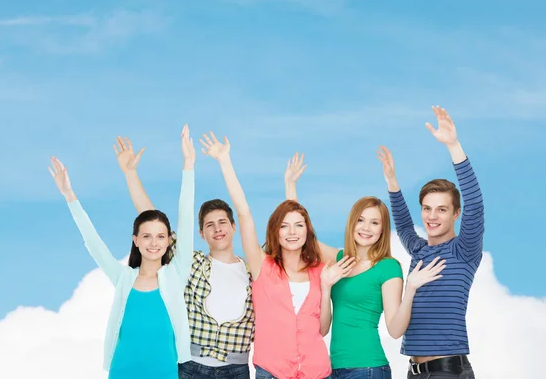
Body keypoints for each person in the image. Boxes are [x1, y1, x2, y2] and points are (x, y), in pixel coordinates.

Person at [47, 124, 195, 378]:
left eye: (161, 236)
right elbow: (94, 243)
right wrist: (69, 195)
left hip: (164, 372)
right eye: (146, 236)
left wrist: (188, 165)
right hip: (122, 371)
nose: (154, 242)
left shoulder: (176, 273)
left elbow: (186, 213)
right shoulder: (124, 278)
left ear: (170, 240)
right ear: (135, 240)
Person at [199, 132, 351, 379]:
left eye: (299, 226)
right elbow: (244, 213)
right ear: (275, 232)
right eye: (284, 226)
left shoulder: (319, 271)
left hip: (318, 373)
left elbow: (322, 329)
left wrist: (325, 287)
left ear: (307, 231)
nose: (292, 232)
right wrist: (224, 160)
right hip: (272, 373)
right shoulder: (263, 267)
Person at [284, 154, 445, 379]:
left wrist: (410, 289)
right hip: (334, 368)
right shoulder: (340, 259)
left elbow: (395, 329)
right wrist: (290, 186)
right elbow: (303, 237)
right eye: (361, 220)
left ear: (382, 229)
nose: (366, 228)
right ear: (352, 223)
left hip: (368, 368)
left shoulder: (387, 268)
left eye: (374, 222)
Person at [113, 130, 253, 379]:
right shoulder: (191, 263)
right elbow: (153, 221)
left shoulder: (253, 270)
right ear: (201, 233)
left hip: (237, 368)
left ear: (233, 227)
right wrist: (131, 174)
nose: (217, 228)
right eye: (209, 225)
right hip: (191, 366)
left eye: (222, 222)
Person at [377, 106, 484, 378]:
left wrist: (453, 145)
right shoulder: (419, 250)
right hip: (415, 371)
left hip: (447, 371)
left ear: (456, 213)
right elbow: (401, 223)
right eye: (426, 208)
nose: (432, 216)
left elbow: (475, 203)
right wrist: (392, 181)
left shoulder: (464, 250)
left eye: (442, 209)